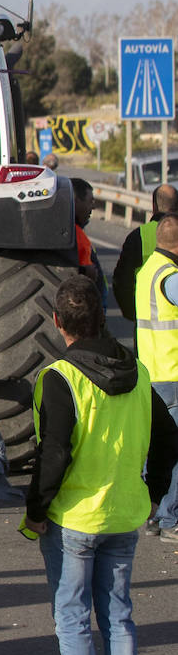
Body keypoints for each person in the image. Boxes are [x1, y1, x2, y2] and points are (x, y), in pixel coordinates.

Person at [25, 276, 178, 655]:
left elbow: (54, 455)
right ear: (102, 317)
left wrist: (35, 511)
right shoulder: (139, 374)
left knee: (72, 618)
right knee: (118, 616)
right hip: (123, 516)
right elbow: (169, 441)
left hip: (74, 519)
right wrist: (151, 495)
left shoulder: (60, 378)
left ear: (57, 322)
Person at [134, 213, 178, 543]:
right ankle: (169, 519)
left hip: (152, 372)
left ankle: (152, 514)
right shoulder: (171, 276)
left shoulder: (149, 269)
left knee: (157, 449)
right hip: (173, 374)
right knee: (174, 452)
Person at [111, 182, 178, 326]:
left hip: (144, 323)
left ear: (153, 206)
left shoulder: (137, 236)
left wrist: (133, 313)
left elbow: (122, 281)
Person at [71, 178, 107, 305]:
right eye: (90, 201)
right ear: (75, 201)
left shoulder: (74, 232)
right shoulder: (74, 234)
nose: (93, 206)